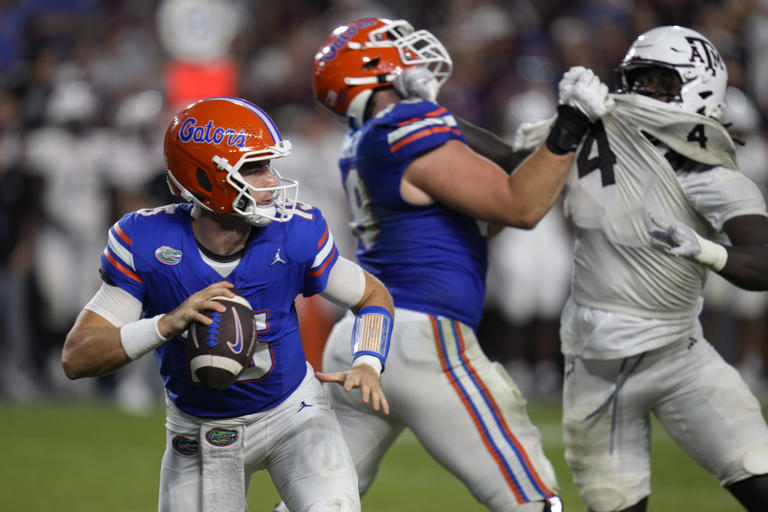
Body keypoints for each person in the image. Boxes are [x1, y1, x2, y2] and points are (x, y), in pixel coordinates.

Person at [276, 17, 614, 512]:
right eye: (398, 52)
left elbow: (491, 202)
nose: (413, 60)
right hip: (421, 336)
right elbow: (519, 205)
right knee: (532, 500)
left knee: (321, 502)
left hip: (360, 339)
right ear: (373, 72)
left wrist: (438, 112)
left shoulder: (367, 139)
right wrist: (572, 124)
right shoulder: (403, 128)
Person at [61, 96, 395, 512]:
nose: (272, 181)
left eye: (269, 166)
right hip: (198, 432)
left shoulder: (295, 233)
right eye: (255, 168)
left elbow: (372, 295)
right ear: (205, 179)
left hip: (294, 414)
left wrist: (368, 361)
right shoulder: (146, 242)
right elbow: (77, 358)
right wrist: (165, 324)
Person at [512, 26, 768, 512]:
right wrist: (426, 119)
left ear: (701, 87)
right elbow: (510, 168)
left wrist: (707, 252)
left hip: (679, 359)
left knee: (760, 479)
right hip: (593, 367)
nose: (645, 92)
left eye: (662, 82)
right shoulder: (592, 133)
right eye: (639, 79)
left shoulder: (708, 173)